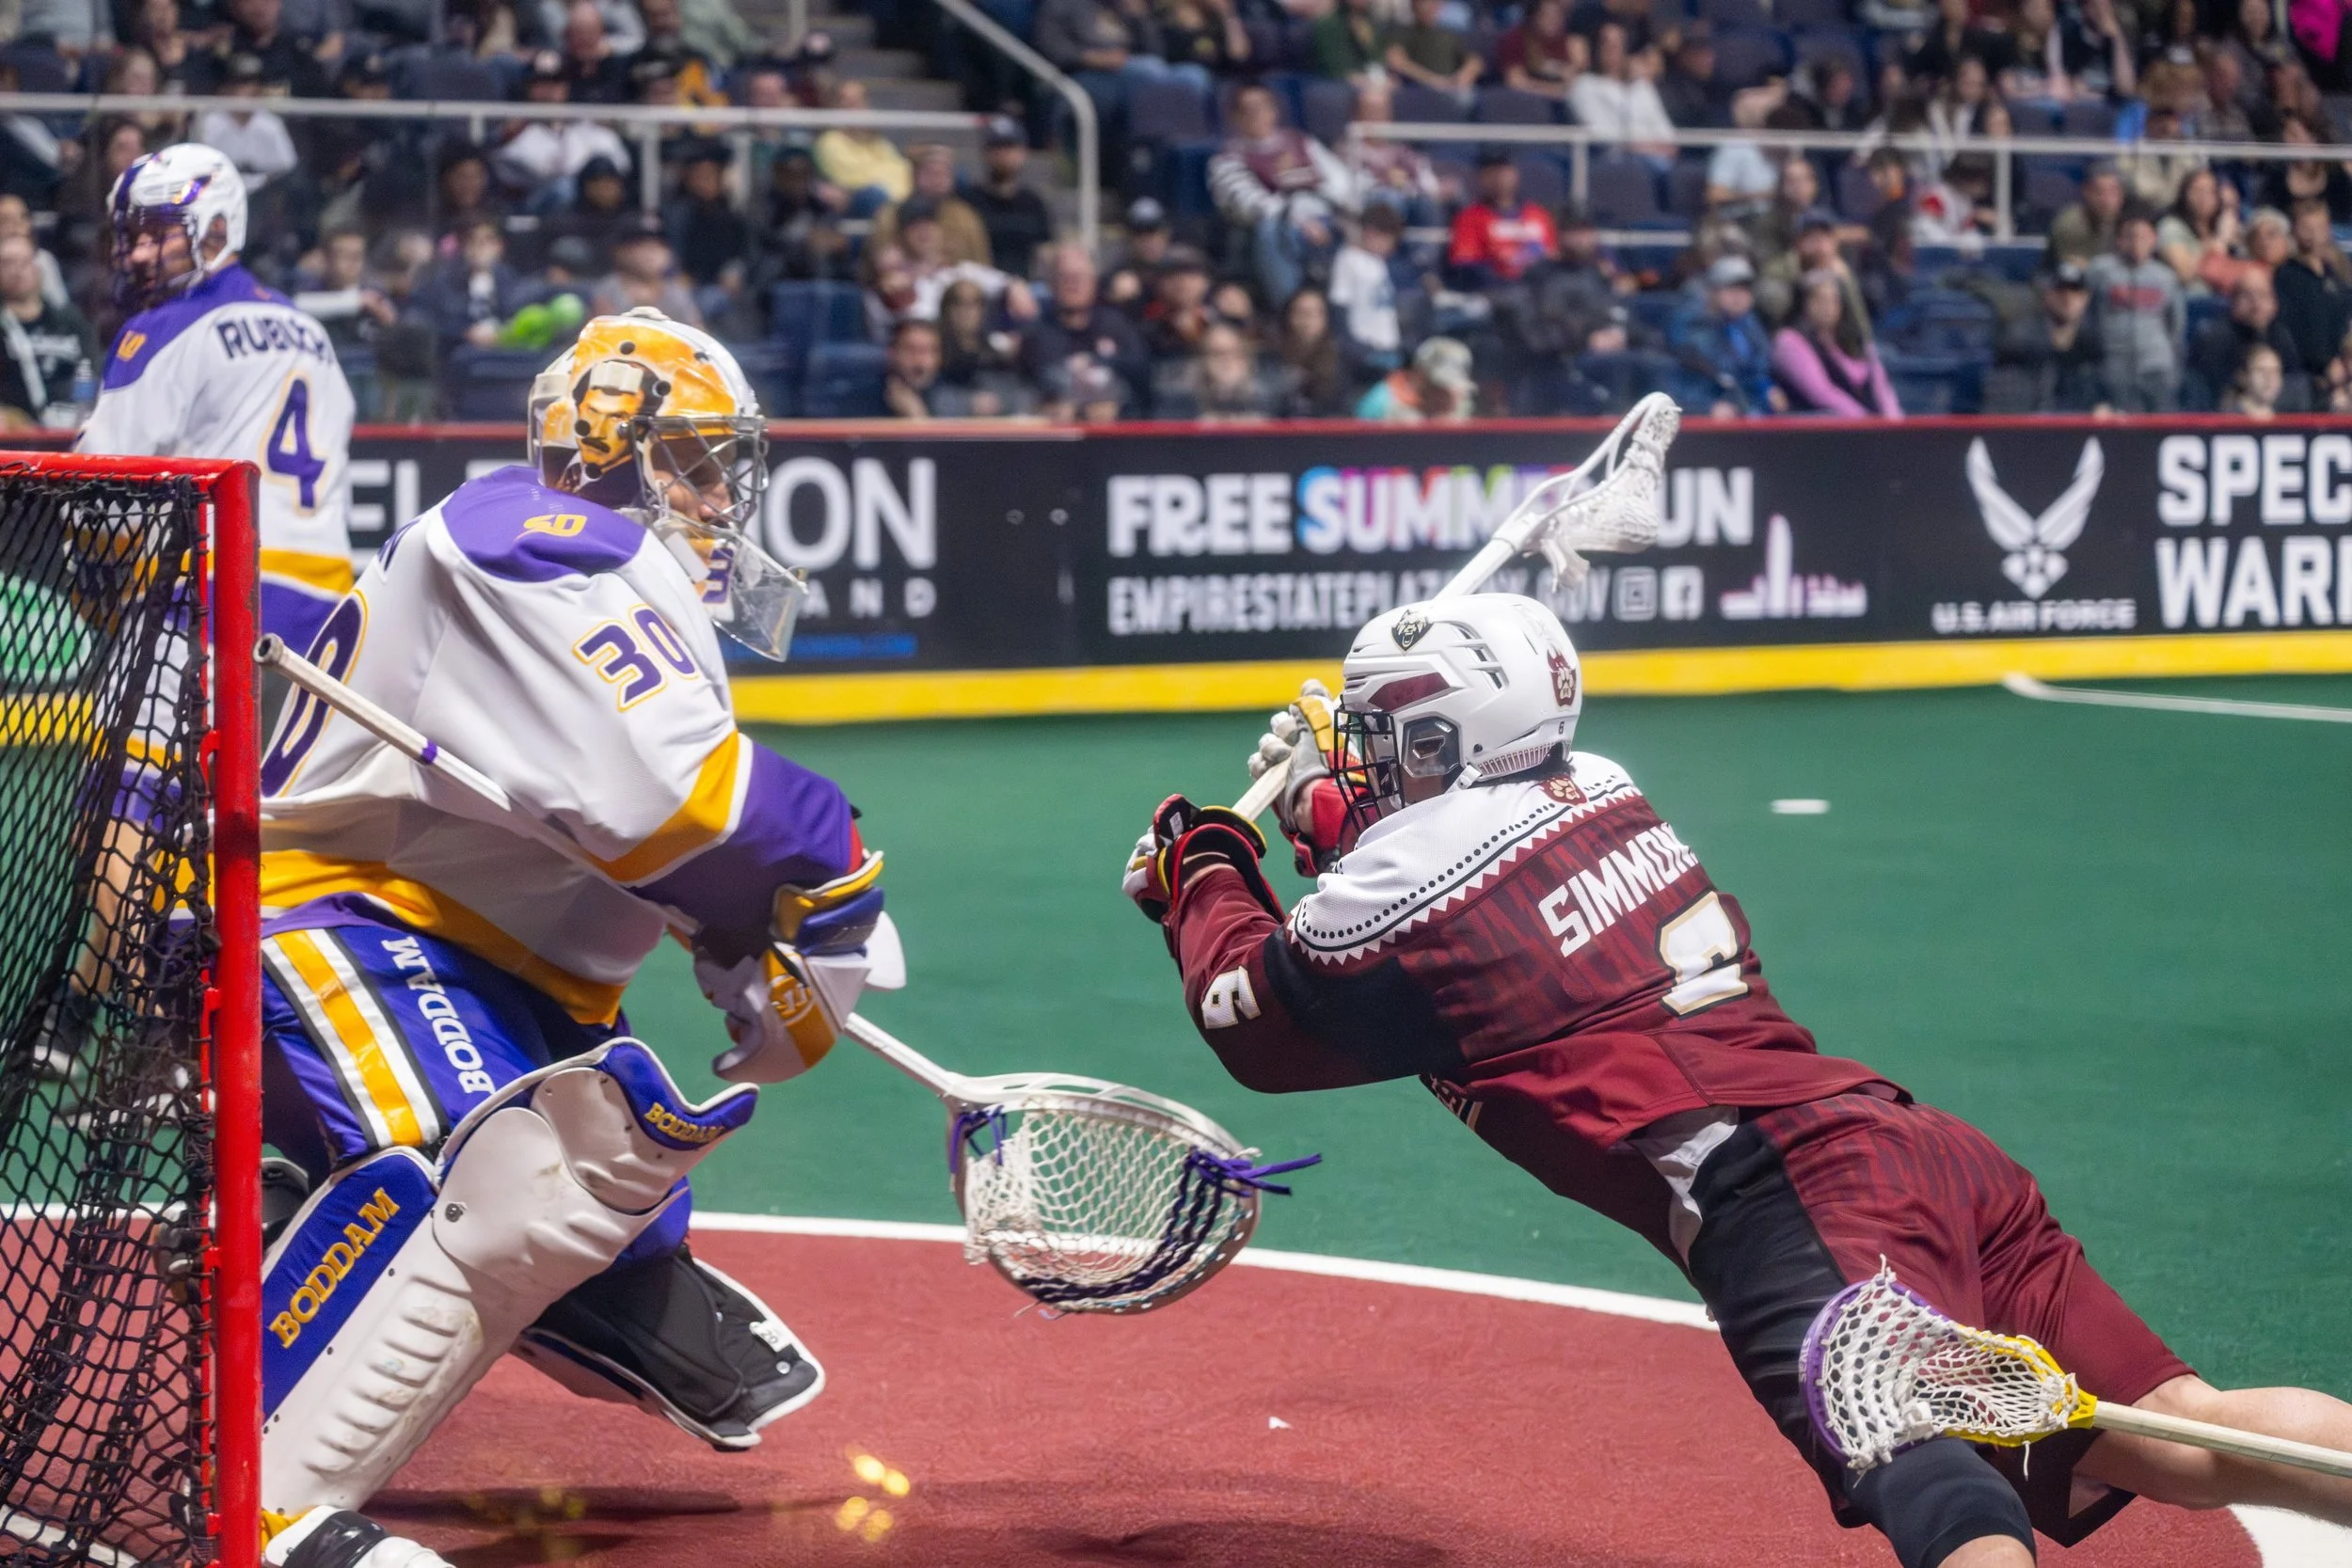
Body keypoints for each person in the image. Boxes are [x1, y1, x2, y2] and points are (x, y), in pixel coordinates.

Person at [1127, 590, 2352, 1568]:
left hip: (1792, 1198)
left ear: (1446, 741)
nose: (1364, 750)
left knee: (1931, 1481)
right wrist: (1341, 830)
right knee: (2177, 1426)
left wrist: (1206, 863)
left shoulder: (1403, 892)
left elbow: (1255, 1018)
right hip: (1917, 1151)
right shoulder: (1603, 785)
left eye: (1384, 732)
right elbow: (1456, 911)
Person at [255, 309, 868, 1567]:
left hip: (496, 965)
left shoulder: (608, 569)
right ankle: (267, 1500)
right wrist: (831, 885)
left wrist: (732, 934)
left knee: (607, 1181)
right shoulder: (524, 537)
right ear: (610, 448)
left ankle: (571, 1279)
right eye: (695, 459)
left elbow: (592, 822)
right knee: (514, 1178)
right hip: (334, 923)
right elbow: (672, 798)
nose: (717, 492)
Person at [78, 144, 354, 655]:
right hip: (327, 602)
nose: (138, 253)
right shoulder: (310, 329)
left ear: (217, 231)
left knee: (137, 740)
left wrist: (95, 571)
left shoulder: (161, 329)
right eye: (132, 237)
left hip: (205, 594)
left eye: (158, 234)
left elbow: (102, 492)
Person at [1208, 82, 1358, 307]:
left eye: (1264, 107)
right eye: (1248, 110)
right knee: (1270, 229)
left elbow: (1341, 181)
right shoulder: (1227, 158)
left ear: (1274, 110)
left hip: (1325, 217)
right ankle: (1290, 308)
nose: (1257, 115)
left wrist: (1325, 210)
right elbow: (1251, 204)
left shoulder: (1301, 141)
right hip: (1280, 228)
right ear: (1235, 117)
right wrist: (1299, 220)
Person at [1019, 243, 1150, 417]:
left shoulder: (1115, 323)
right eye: (1065, 278)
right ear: (1051, 284)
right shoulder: (1037, 330)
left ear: (1094, 282)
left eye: (1080, 277)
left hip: (1116, 427)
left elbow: (1140, 368)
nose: (1073, 285)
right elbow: (1038, 377)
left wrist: (1095, 361)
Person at [2085, 207, 2185, 413]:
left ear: (2154, 240)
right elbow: (2088, 312)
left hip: (2156, 365)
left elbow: (2176, 323)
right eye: (2130, 236)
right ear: (2119, 240)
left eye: (2143, 237)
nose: (2137, 243)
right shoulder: (2100, 271)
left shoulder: (2165, 277)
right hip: (2115, 363)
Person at [1772, 268, 1899, 418]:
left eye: (1834, 300)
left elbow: (1882, 388)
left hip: (1873, 430)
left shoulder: (1857, 341)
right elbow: (1821, 393)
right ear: (1803, 303)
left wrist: (1893, 424)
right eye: (1820, 300)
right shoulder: (1789, 341)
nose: (1828, 307)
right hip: (1825, 430)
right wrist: (1867, 423)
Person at [1668, 254, 1783, 417]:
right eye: (1731, 289)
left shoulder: (1750, 324)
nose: (1739, 297)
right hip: (1703, 412)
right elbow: (1689, 381)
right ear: (1713, 292)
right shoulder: (1692, 326)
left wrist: (1766, 388)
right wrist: (1706, 408)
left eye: (1744, 290)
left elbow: (1757, 369)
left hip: (1744, 409)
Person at [0, 230, 94, 428]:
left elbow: (92, 367)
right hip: (17, 438)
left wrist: (86, 414)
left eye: (23, 262)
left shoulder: (70, 321)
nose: (16, 271)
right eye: (7, 263)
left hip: (75, 428)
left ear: (37, 268)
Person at [1986, 261, 2106, 413]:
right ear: (2047, 295)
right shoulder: (2019, 341)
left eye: (2075, 291)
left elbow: (2098, 395)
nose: (2067, 298)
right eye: (2060, 291)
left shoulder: (2091, 346)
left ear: (2086, 298)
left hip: (2074, 428)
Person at [2186, 266, 2309, 411]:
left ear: (2274, 302)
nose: (2256, 304)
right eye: (2247, 296)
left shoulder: (2281, 336)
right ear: (2233, 301)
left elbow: (2295, 384)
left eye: (2263, 296)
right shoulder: (2214, 338)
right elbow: (2208, 392)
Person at [1447, 151, 1557, 290]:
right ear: (1481, 178)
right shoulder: (1469, 217)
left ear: (1515, 174)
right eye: (1492, 173)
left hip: (1539, 289)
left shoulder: (1538, 215)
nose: (1499, 178)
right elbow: (1465, 262)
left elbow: (1552, 254)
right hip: (1495, 290)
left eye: (1504, 172)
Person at [962, 117, 1054, 280]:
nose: (1003, 155)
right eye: (997, 148)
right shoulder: (967, 201)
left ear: (1023, 153)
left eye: (1010, 148)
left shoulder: (1033, 203)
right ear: (985, 153)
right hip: (979, 288)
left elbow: (1046, 253)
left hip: (1026, 291)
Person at [1567, 22, 1677, 159]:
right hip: (1614, 160)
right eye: (1606, 43)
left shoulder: (1642, 87)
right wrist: (1639, 147)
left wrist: (1654, 148)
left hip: (1656, 159)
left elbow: (1667, 135)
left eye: (1619, 44)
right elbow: (1600, 135)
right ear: (1595, 48)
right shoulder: (1584, 85)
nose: (1612, 48)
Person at [2271, 196, 2352, 378]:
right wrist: (2324, 364)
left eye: (2320, 227)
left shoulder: (2337, 277)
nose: (2313, 234)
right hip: (2304, 373)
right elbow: (2289, 330)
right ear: (2294, 230)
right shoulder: (2286, 276)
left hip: (2343, 367)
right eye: (2307, 228)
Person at [1327, 203, 1406, 375]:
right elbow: (1339, 303)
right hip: (1364, 348)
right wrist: (1355, 349)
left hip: (1388, 348)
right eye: (1389, 240)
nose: (1392, 248)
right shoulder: (1348, 259)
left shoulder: (1379, 262)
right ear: (1372, 233)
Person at [590, 214, 702, 324]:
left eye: (658, 244)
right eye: (640, 244)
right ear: (620, 250)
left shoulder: (676, 293)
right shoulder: (608, 290)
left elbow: (698, 336)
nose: (651, 250)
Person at [1355, 334, 1474, 420]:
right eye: (1439, 386)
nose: (1447, 395)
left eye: (1452, 388)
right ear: (1419, 375)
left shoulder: (1460, 404)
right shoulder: (1380, 404)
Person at [1385, 0, 1481, 101]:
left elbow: (1475, 61)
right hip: (1417, 89)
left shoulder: (1449, 34)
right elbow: (1396, 61)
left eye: (1433, 3)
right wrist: (1432, 80)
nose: (1428, 7)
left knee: (1468, 99)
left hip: (1452, 87)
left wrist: (1462, 77)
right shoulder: (1402, 32)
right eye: (1423, 3)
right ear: (1413, 5)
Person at [1276, 286, 1349, 415]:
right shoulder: (1274, 358)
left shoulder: (1342, 361)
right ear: (1289, 317)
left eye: (1315, 313)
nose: (1308, 320)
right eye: (1302, 313)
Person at [2044, 161, 2124, 269]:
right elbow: (2075, 266)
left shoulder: (2132, 220)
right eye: (2099, 192)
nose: (2106, 200)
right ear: (2086, 192)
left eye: (2113, 192)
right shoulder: (2070, 222)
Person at [1498, 0, 1582, 95]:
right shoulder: (1514, 39)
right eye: (1547, 16)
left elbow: (1576, 76)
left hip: (1566, 98)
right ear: (1533, 17)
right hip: (1528, 98)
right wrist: (1553, 90)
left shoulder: (1568, 40)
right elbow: (1515, 82)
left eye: (1558, 16)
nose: (1553, 21)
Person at [2228, 341, 2286, 417]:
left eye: (2275, 371)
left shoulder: (2288, 419)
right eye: (2261, 370)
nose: (2269, 378)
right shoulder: (2228, 419)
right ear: (2243, 377)